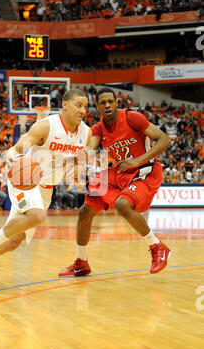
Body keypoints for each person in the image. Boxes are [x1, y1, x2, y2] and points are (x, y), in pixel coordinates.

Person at [0, 89, 92, 283]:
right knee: (37, 216)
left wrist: (75, 167)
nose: (83, 110)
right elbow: (23, 142)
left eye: (85, 106)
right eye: (78, 105)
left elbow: (77, 164)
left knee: (14, 242)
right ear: (65, 105)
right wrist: (13, 151)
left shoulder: (86, 133)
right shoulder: (47, 126)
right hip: (26, 180)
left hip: (46, 188)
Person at [59, 87, 172, 278]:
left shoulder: (132, 118)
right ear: (98, 108)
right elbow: (90, 150)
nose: (107, 105)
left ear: (116, 103)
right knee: (85, 211)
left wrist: (137, 160)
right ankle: (81, 262)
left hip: (144, 170)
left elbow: (165, 140)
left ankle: (157, 246)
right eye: (103, 103)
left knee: (122, 204)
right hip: (118, 172)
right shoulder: (98, 128)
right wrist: (70, 160)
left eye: (110, 101)